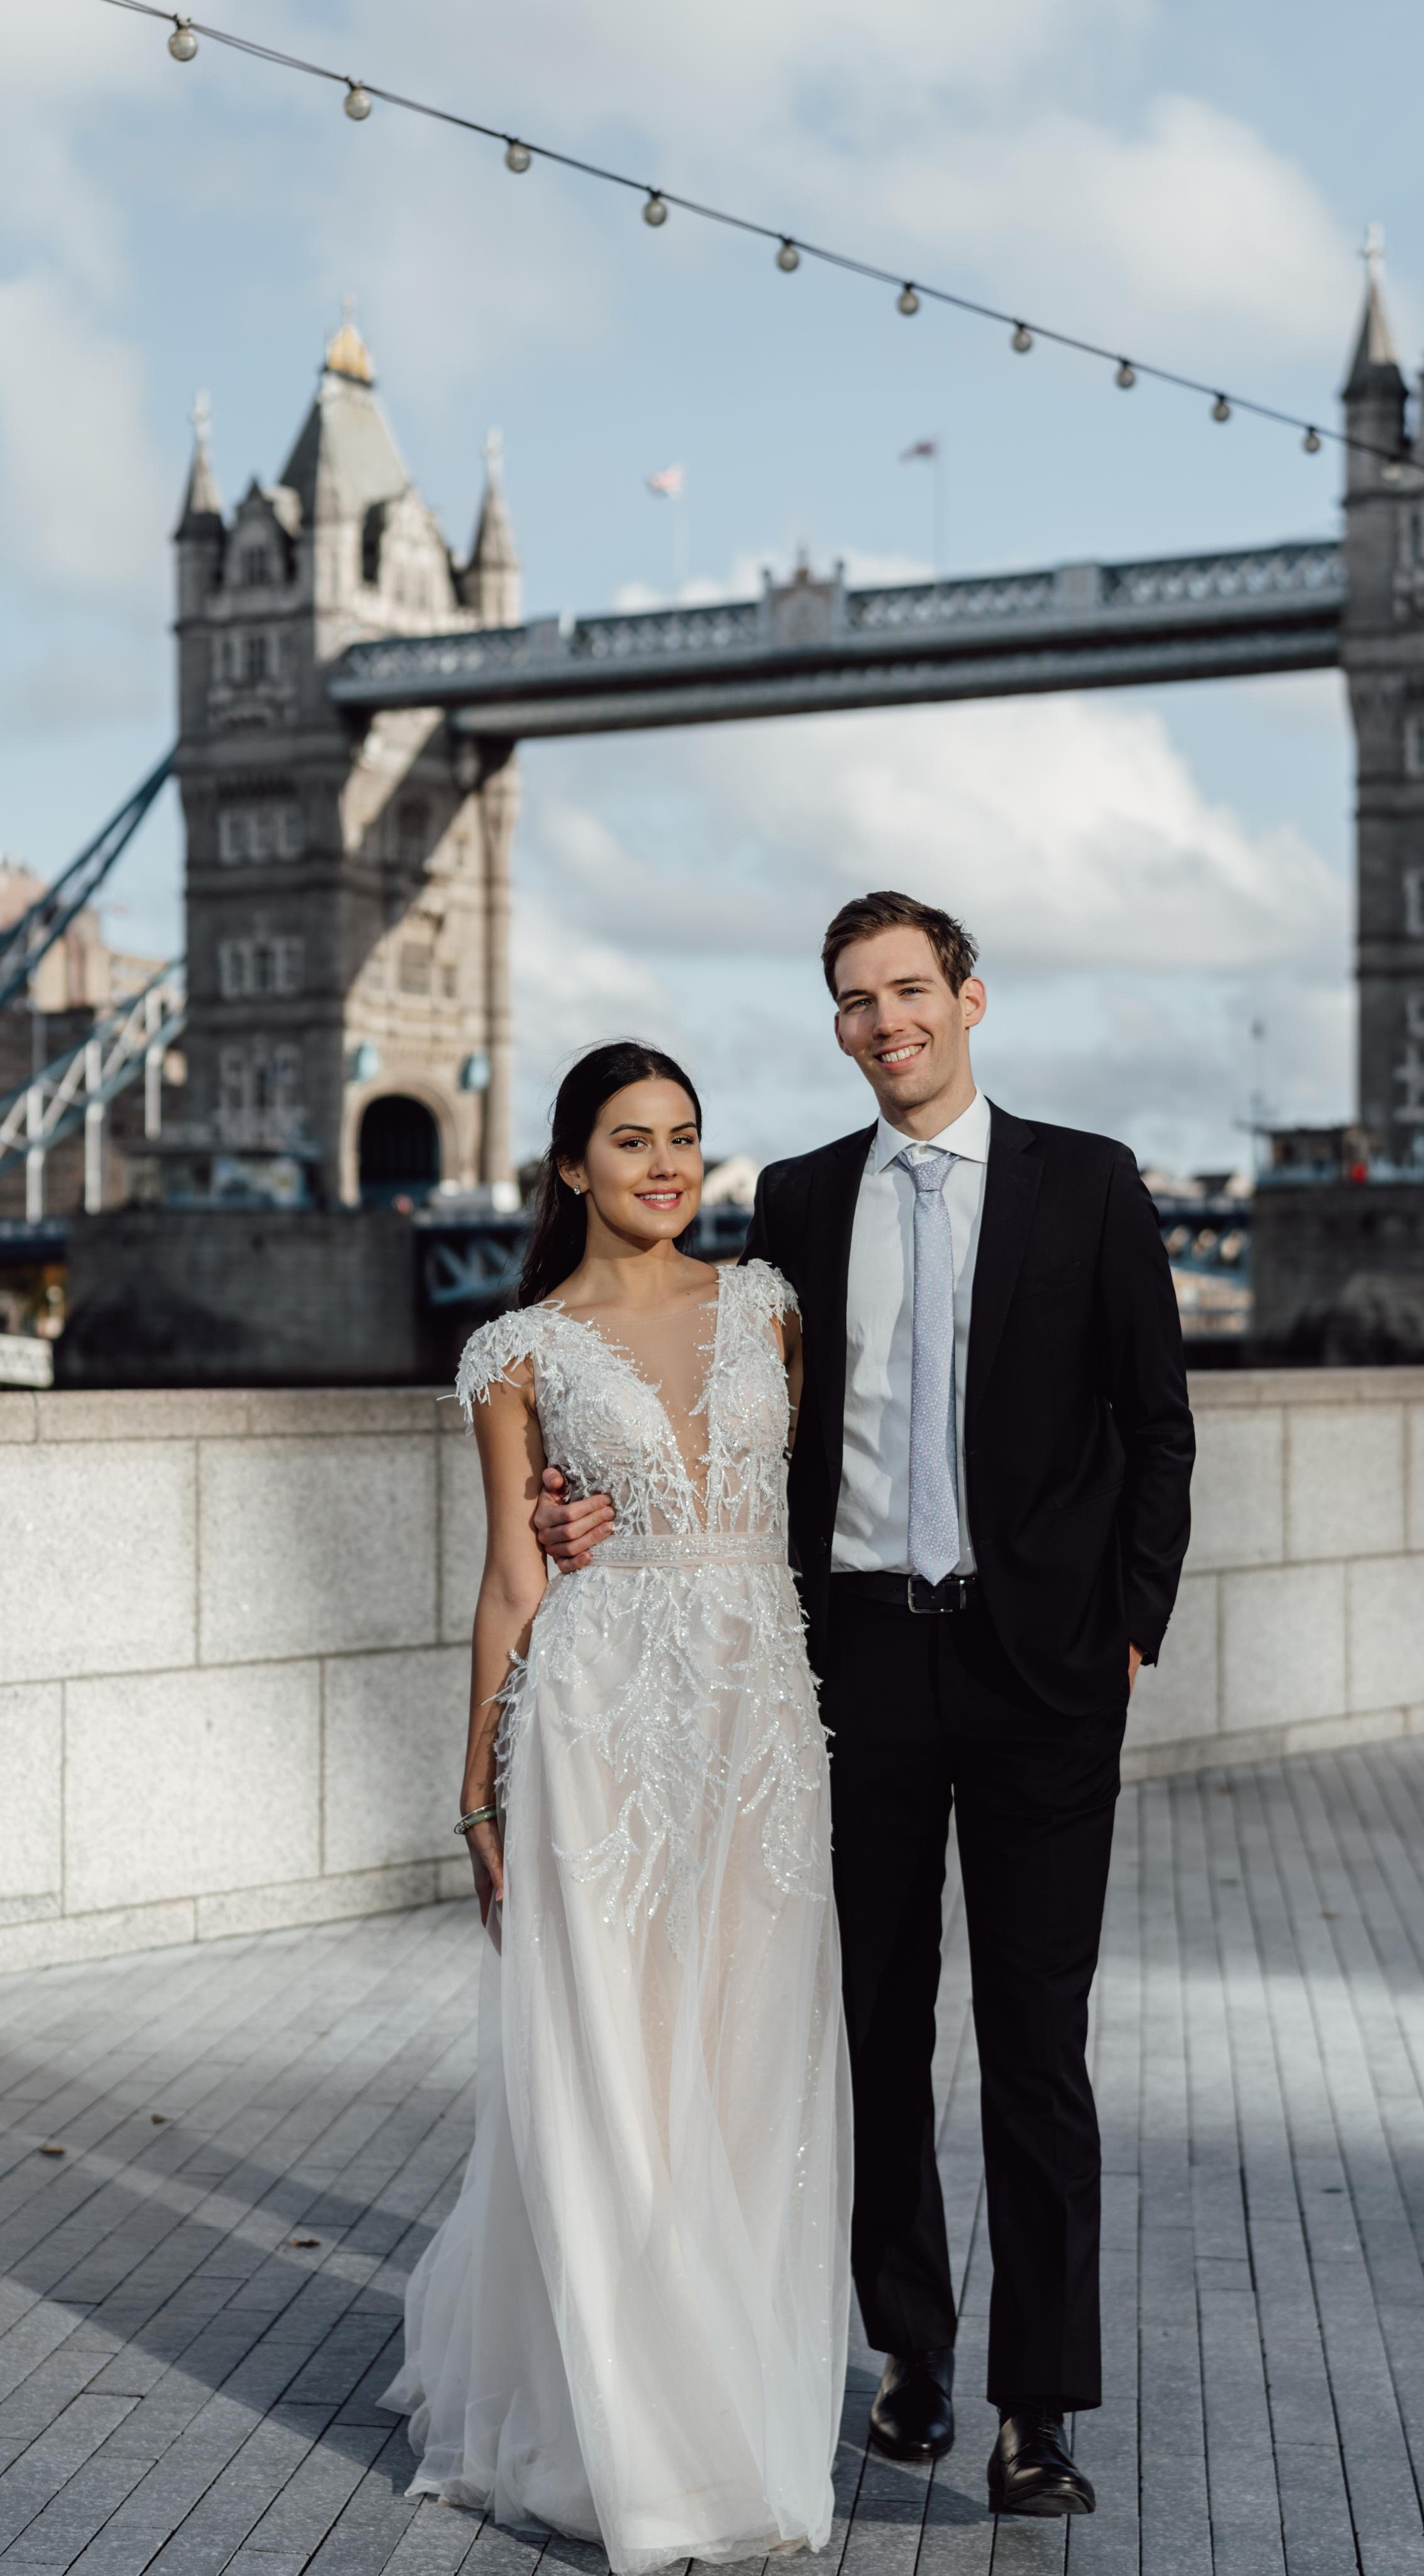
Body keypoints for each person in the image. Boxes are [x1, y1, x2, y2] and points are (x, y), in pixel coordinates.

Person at [537, 895, 1195, 2519]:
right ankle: (907, 2346)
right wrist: (583, 1507)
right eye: (852, 999)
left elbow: (1156, 1424)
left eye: (908, 989)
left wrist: (1128, 1631)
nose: (883, 1020)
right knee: (872, 2032)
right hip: (856, 1674)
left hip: (1041, 1674)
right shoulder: (800, 1204)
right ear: (835, 1025)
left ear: (969, 997)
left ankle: (1033, 2406)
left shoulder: (1089, 1182)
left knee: (1038, 2046)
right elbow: (720, 1407)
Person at [384, 1041, 850, 2575]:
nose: (663, 1164)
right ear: (570, 1165)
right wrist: (475, 1796)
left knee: (746, 2061)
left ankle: (739, 2405)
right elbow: (515, 1578)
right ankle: (633, 2446)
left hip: (760, 1722)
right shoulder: (518, 1348)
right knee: (615, 2063)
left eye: (685, 1139)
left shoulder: (769, 1309)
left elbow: (808, 1514)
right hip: (595, 1722)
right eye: (629, 1139)